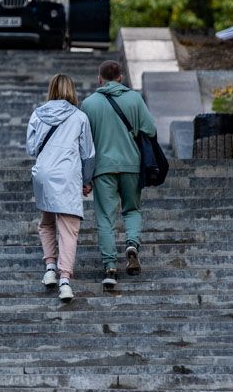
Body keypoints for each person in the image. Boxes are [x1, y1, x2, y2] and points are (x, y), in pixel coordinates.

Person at [80, 60, 157, 289]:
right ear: (121, 78)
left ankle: (110, 266)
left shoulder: (89, 104)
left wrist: (85, 176)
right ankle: (132, 245)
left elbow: (84, 141)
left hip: (103, 168)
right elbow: (150, 129)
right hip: (131, 165)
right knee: (132, 209)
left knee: (105, 217)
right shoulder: (134, 98)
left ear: (99, 79)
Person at [26, 73, 95, 303]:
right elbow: (88, 153)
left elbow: (32, 149)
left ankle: (49, 268)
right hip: (67, 175)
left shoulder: (37, 114)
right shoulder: (80, 117)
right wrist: (87, 180)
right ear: (71, 90)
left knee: (46, 223)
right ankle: (64, 279)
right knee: (68, 229)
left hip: (44, 175)